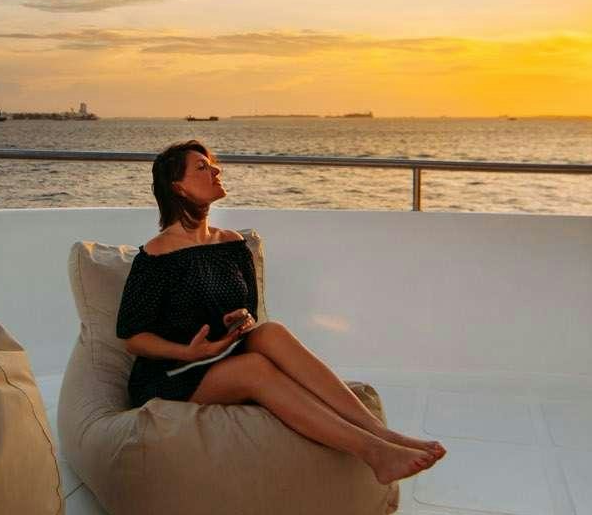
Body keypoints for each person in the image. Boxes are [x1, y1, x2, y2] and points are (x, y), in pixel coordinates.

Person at [115, 140, 445, 486]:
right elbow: (133, 338)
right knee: (254, 367)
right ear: (177, 186)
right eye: (202, 167)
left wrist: (240, 321)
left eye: (213, 165)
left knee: (271, 332)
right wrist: (188, 351)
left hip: (220, 355)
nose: (215, 170)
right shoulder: (155, 257)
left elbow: (251, 315)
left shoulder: (232, 245)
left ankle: (382, 433)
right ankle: (375, 453)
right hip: (173, 372)